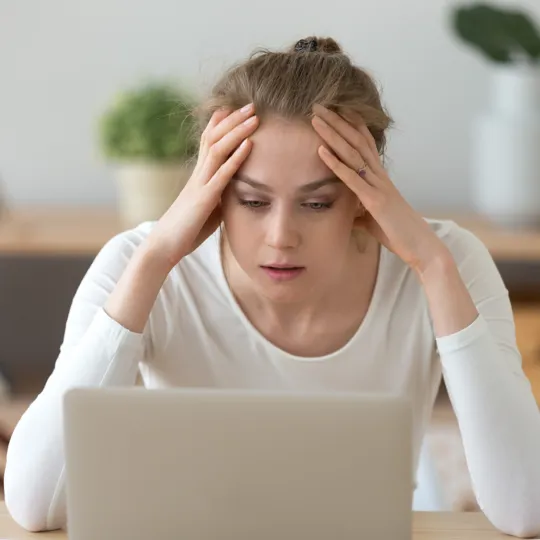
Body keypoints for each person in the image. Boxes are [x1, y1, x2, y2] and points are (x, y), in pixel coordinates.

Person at [4, 36, 540, 537]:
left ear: (363, 194)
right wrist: (155, 258)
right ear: (212, 193)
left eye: (316, 203)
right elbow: (33, 502)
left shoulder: (445, 263)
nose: (281, 237)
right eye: (253, 201)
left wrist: (432, 266)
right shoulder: (140, 263)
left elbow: (527, 506)